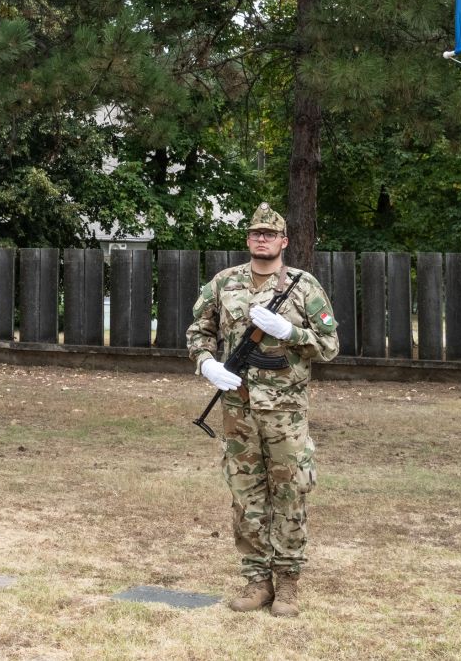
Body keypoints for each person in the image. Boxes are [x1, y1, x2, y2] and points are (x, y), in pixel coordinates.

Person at [186, 203, 339, 618]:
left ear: (283, 241)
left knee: (290, 492)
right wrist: (207, 363)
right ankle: (256, 580)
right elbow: (199, 330)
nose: (261, 239)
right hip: (238, 410)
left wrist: (290, 333)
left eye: (269, 234)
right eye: (256, 233)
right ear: (248, 239)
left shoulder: (303, 286)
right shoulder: (224, 282)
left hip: (286, 413)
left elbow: (329, 345)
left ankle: (287, 581)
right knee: (245, 494)